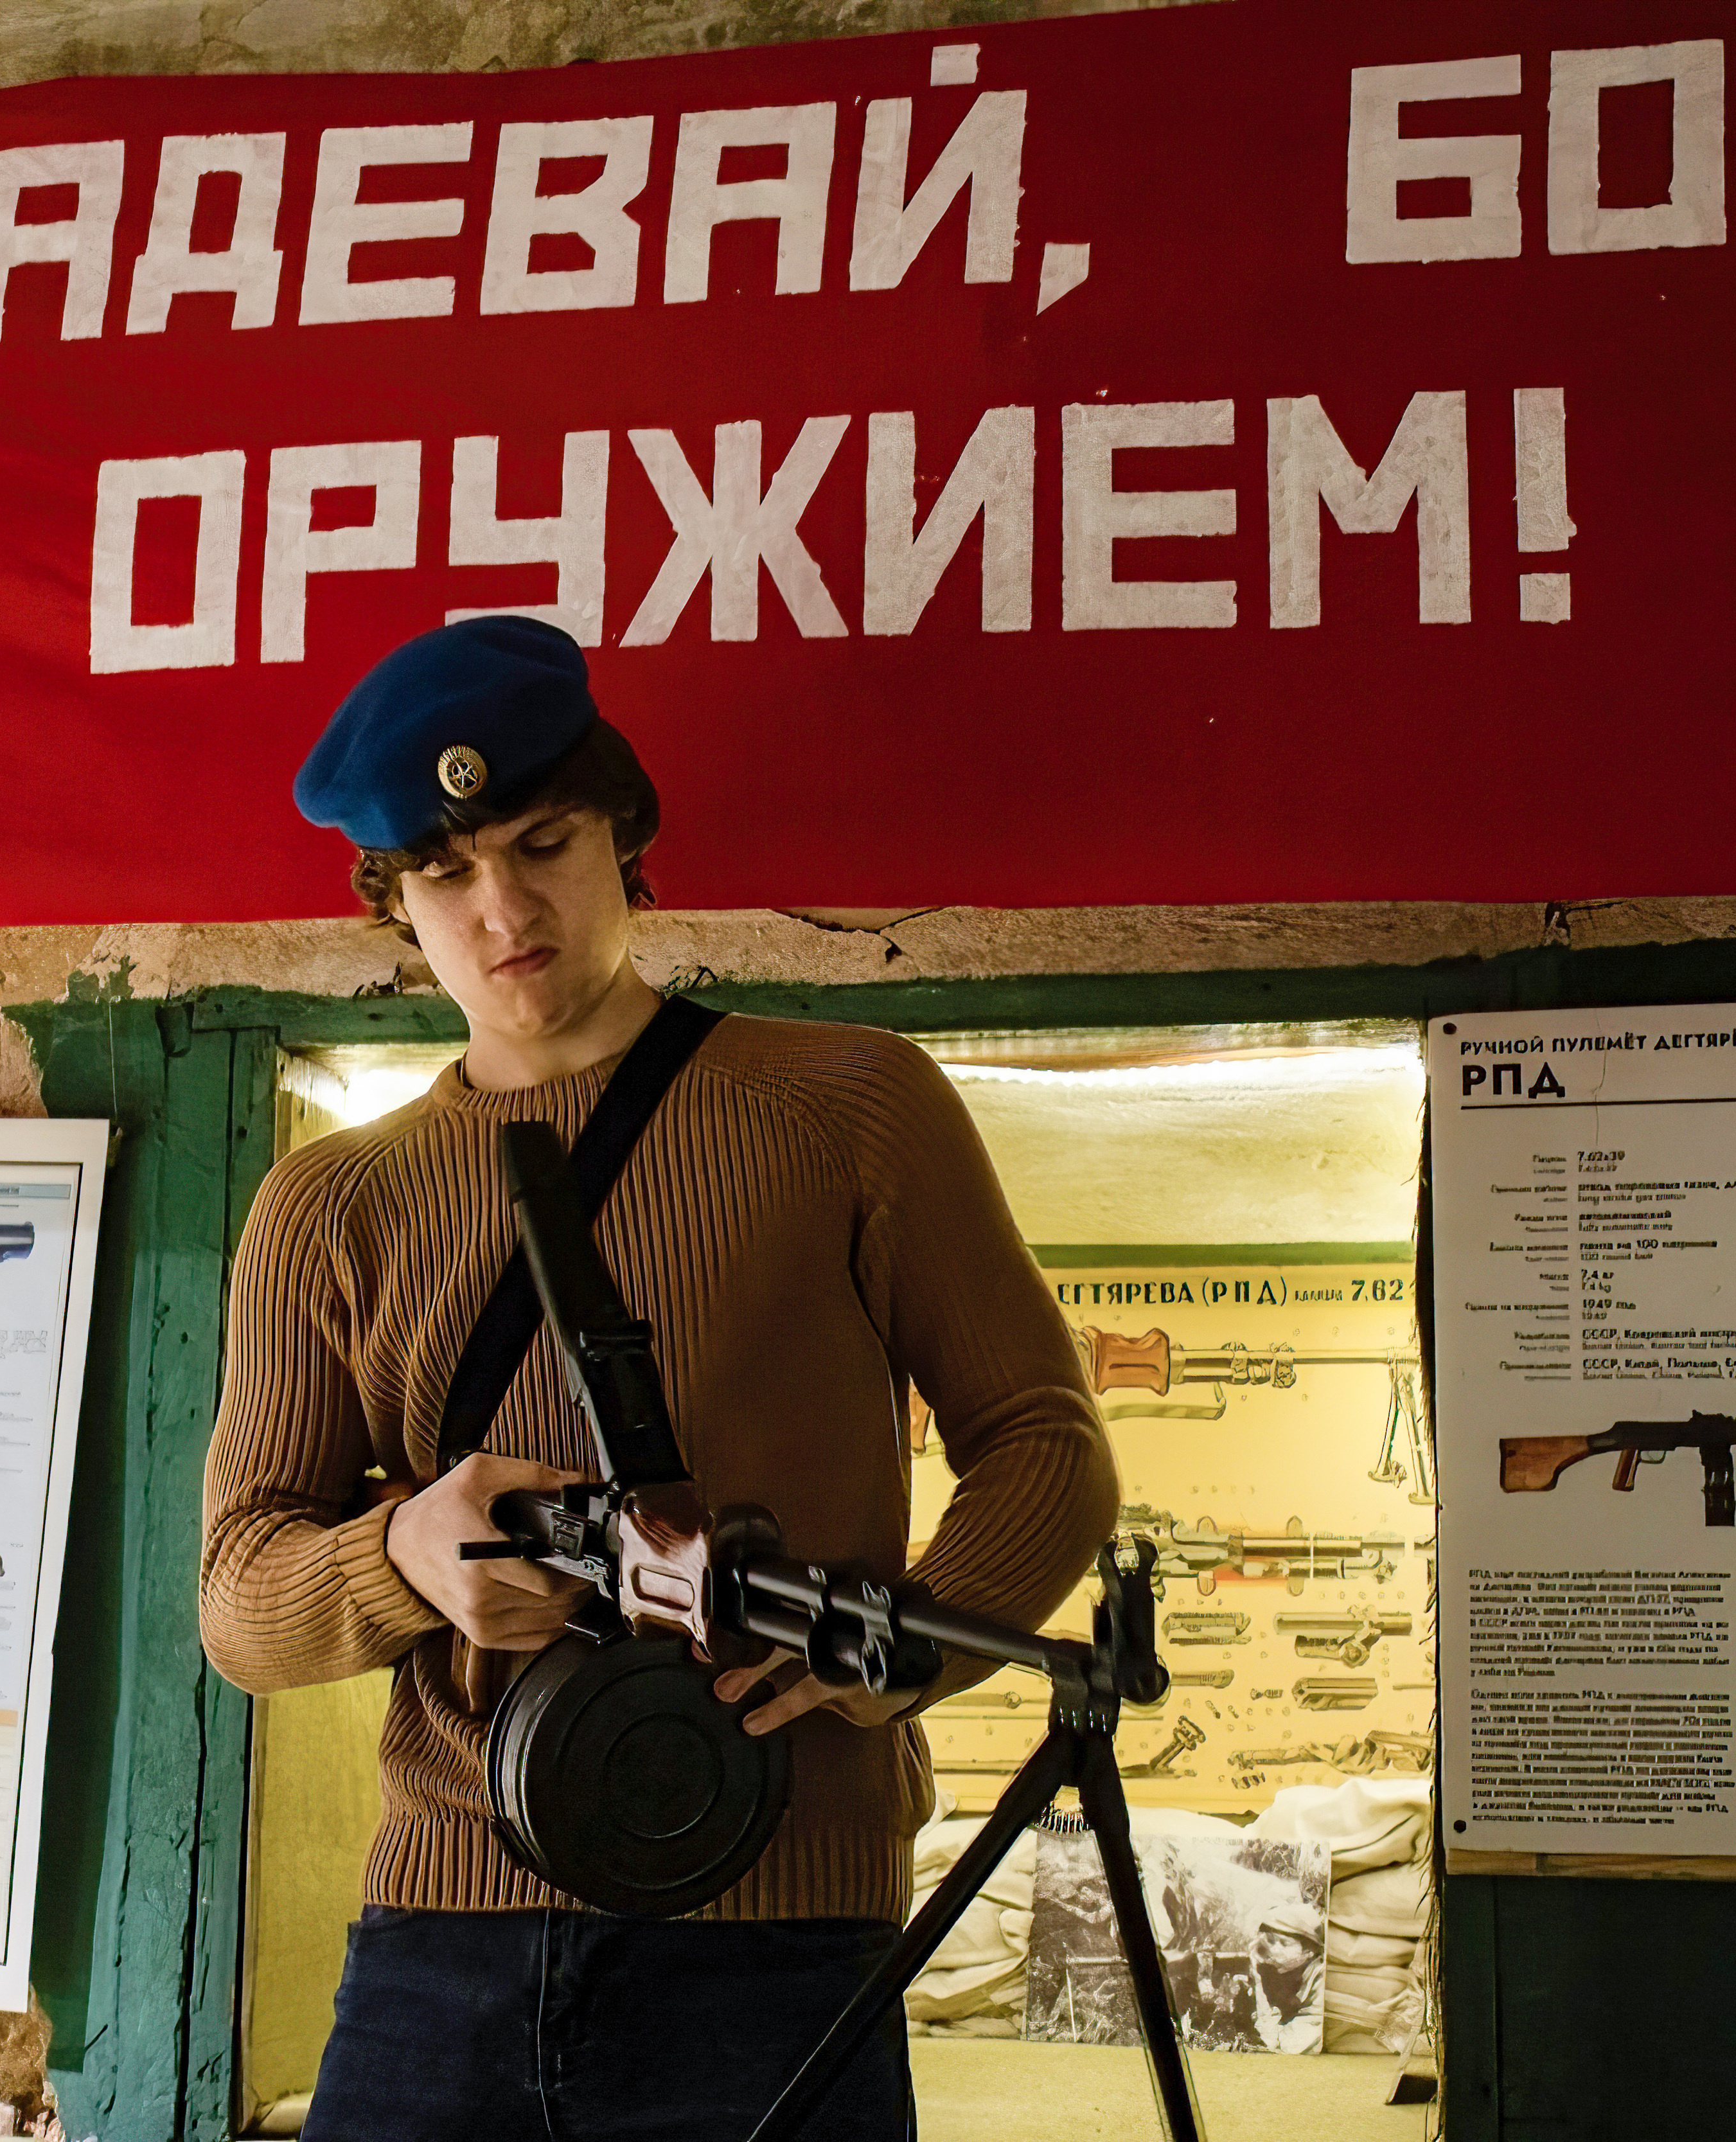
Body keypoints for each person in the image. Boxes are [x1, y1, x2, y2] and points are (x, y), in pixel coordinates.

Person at [198, 614, 1119, 2141]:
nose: (503, 907)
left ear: (623, 830)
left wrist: (897, 1655)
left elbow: (1044, 1441)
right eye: (444, 872)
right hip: (445, 1938)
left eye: (542, 840)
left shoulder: (848, 1107)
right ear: (393, 903)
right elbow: (238, 1596)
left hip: (779, 1928)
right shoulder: (328, 1205)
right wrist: (403, 1558)